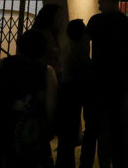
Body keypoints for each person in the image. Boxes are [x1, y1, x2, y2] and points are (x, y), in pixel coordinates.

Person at [0, 29, 59, 168]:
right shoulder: (46, 71)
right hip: (30, 132)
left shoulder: (3, 64)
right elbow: (51, 106)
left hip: (2, 129)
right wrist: (49, 128)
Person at [85, 0, 128, 168]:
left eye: (100, 2)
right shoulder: (127, 24)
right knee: (120, 130)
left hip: (100, 83)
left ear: (109, 1)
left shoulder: (96, 22)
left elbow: (85, 46)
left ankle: (104, 164)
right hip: (120, 83)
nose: (99, 5)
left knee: (103, 130)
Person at [56, 19, 91, 168]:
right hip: (74, 89)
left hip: (67, 89)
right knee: (71, 129)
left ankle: (64, 162)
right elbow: (82, 68)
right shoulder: (78, 47)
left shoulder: (68, 46)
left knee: (67, 130)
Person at [33, 3, 66, 75]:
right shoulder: (41, 37)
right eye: (59, 17)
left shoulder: (51, 36)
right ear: (50, 18)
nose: (62, 21)